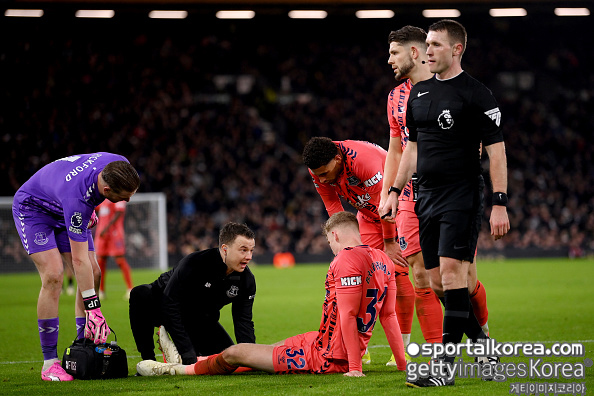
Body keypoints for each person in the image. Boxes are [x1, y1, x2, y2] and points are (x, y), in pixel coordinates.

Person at [382, 20, 510, 387]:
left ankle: (444, 370)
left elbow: (498, 152)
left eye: (436, 45)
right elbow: (412, 148)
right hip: (426, 198)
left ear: (456, 50)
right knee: (437, 283)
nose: (429, 51)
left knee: (454, 275)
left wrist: (499, 202)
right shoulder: (419, 96)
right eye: (428, 45)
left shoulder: (476, 93)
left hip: (462, 194)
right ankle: (484, 346)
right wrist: (393, 191)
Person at [135, 211, 407, 377]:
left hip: (326, 356)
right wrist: (401, 362)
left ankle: (177, 368)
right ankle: (188, 358)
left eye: (327, 241)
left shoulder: (346, 259)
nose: (249, 257)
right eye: (244, 250)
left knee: (236, 354)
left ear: (334, 236)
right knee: (251, 353)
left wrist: (355, 368)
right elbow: (390, 314)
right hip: (320, 342)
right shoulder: (382, 258)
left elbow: (347, 314)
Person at [11, 153, 140, 381]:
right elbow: (79, 261)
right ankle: (49, 362)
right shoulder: (78, 199)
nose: (127, 201)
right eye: (124, 197)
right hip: (34, 209)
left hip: (64, 206)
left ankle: (83, 342)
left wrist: (87, 210)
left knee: (95, 272)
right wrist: (94, 309)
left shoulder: (118, 163)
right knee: (53, 275)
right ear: (107, 191)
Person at [302, 137, 415, 364]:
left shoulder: (364, 161)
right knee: (357, 276)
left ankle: (401, 349)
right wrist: (343, 245)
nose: (321, 179)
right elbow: (334, 209)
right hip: (367, 215)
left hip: (397, 210)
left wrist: (390, 242)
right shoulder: (319, 168)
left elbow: (384, 205)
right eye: (317, 175)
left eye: (324, 173)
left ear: (337, 159)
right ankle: (359, 347)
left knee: (397, 273)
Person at [128, 222, 257, 365]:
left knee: (226, 359)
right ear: (225, 249)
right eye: (243, 250)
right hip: (163, 307)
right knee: (140, 293)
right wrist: (186, 351)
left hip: (198, 319)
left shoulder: (247, 280)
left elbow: (243, 321)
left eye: (251, 250)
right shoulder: (195, 263)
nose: (249, 256)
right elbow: (169, 304)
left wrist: (250, 357)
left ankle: (178, 347)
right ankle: (149, 360)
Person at [94, 199, 134, 300]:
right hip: (102, 235)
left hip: (114, 234)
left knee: (120, 260)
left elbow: (119, 212)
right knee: (101, 261)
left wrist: (106, 228)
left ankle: (130, 289)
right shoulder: (103, 198)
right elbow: (94, 207)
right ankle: (101, 291)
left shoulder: (119, 195)